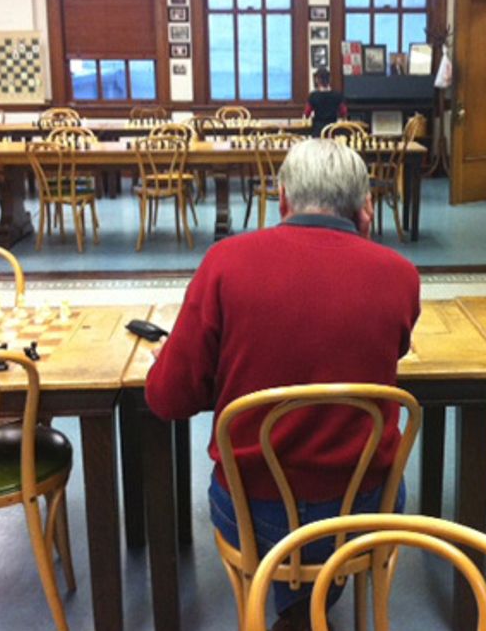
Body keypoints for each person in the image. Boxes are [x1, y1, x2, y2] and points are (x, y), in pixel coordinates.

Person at [144, 139, 420, 631]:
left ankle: (293, 606)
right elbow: (388, 355)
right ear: (366, 208)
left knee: (269, 503)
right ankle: (313, 605)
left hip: (256, 514)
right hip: (361, 510)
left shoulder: (225, 263)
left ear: (282, 198)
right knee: (356, 489)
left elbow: (168, 399)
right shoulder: (399, 274)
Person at [304, 67, 348, 137]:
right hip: (333, 130)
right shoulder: (337, 95)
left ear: (317, 80)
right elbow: (344, 113)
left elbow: (306, 113)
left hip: (318, 131)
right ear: (330, 79)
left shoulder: (313, 96)